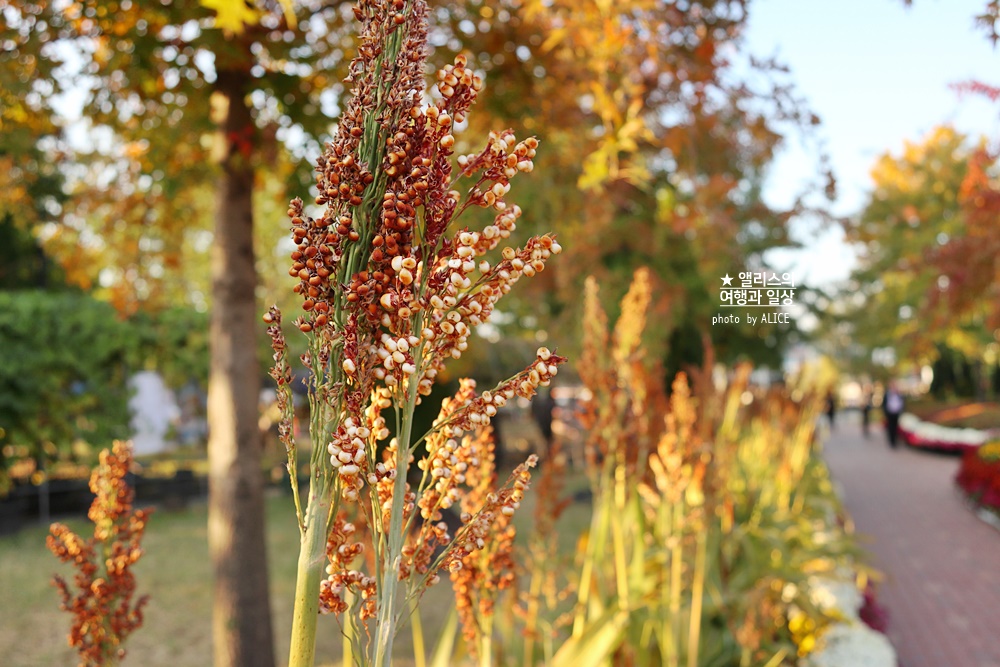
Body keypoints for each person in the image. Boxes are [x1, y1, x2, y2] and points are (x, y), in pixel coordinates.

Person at [883, 381, 905, 449]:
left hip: (896, 413)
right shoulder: (887, 394)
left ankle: (895, 441)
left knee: (895, 427)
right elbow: (884, 404)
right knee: (890, 427)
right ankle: (891, 441)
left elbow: (902, 403)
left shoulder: (899, 394)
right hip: (890, 413)